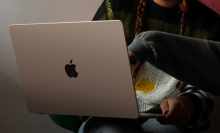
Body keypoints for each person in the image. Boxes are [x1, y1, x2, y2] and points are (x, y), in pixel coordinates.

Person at [78, 0, 219, 132]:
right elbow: (87, 62)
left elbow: (206, 86)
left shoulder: (211, 24)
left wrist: (187, 103)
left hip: (165, 120)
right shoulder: (116, 6)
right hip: (112, 112)